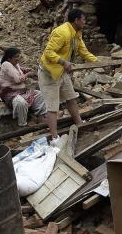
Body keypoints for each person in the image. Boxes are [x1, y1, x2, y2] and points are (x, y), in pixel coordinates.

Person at [40, 8, 97, 142]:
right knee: (53, 106)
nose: (85, 22)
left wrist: (98, 62)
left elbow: (84, 52)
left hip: (61, 71)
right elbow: (48, 52)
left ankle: (80, 124)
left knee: (71, 98)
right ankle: (54, 137)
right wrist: (63, 61)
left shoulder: (76, 34)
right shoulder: (62, 33)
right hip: (50, 73)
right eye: (83, 19)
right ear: (77, 20)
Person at [0, 48, 46, 126]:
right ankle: (22, 123)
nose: (18, 59)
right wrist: (27, 75)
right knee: (20, 103)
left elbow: (19, 69)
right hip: (10, 92)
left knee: (41, 95)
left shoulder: (14, 64)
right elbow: (17, 80)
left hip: (21, 90)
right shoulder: (6, 64)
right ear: (9, 58)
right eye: (16, 57)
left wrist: (26, 70)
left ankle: (41, 117)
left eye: (18, 56)